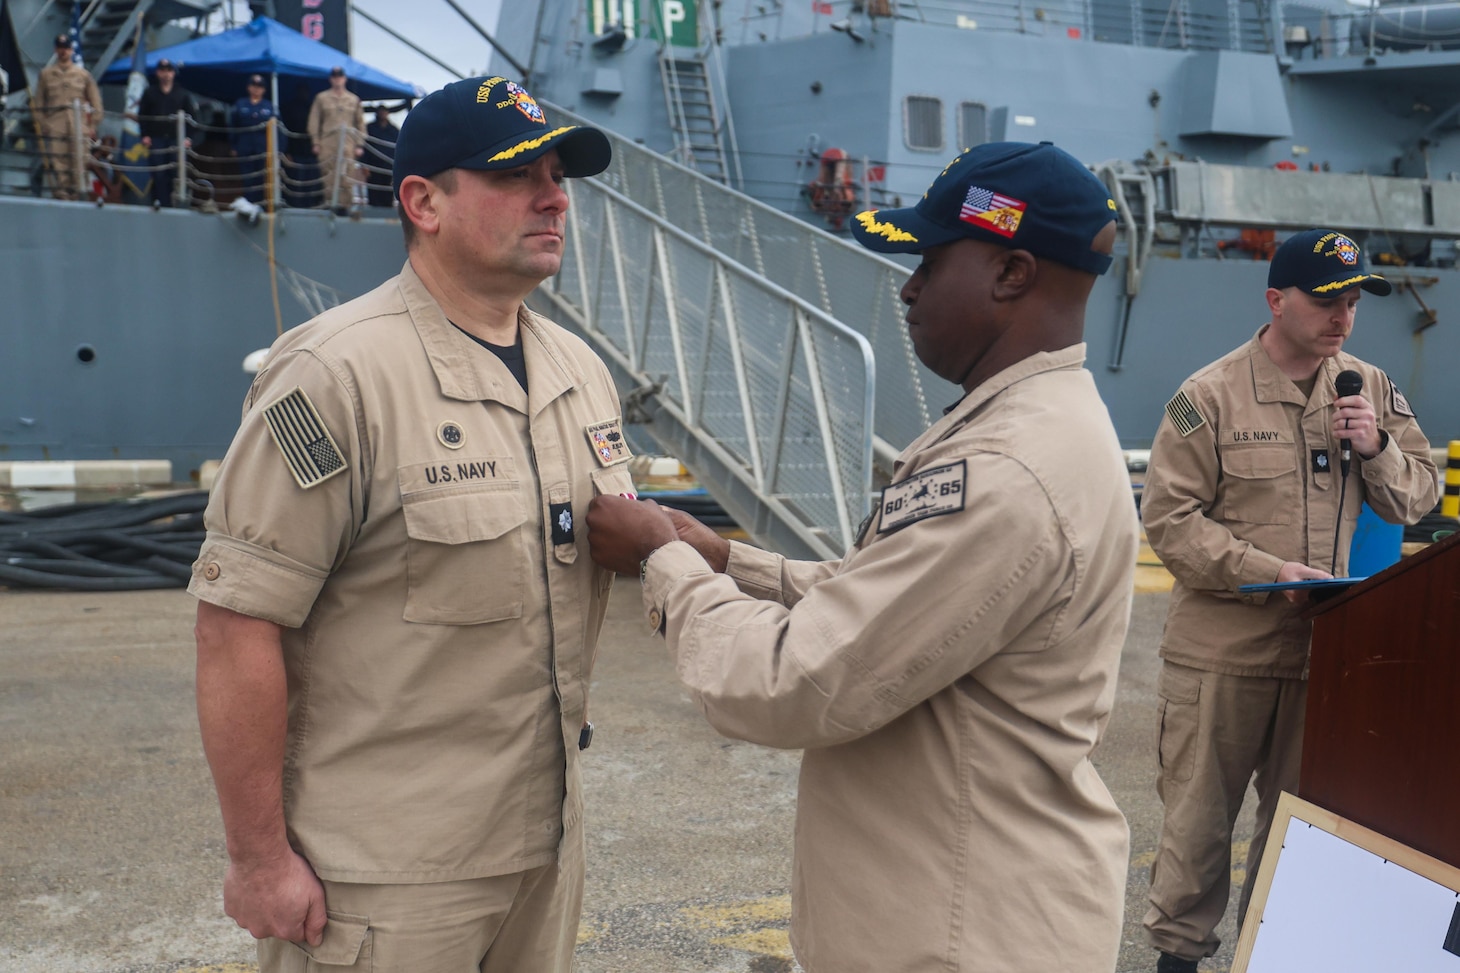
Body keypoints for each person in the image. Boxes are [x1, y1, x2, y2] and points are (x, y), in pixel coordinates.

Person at [586, 141, 1139, 972]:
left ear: (1011, 273)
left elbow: (793, 682)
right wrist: (727, 562)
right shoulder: (1033, 423)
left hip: (959, 932)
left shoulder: (1006, 470)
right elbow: (897, 599)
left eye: (929, 261)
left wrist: (664, 563)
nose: (909, 288)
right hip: (965, 904)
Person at [190, 76, 617, 972]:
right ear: (423, 201)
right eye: (514, 175)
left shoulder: (579, 370)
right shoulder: (336, 375)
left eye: (557, 175)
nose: (552, 197)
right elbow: (237, 624)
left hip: (544, 847)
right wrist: (259, 860)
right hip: (386, 879)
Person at [1139, 228, 1440, 973]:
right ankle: (1178, 959)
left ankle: (1270, 955)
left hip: (1322, 662)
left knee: (1299, 832)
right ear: (1276, 299)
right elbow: (1169, 521)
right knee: (1198, 830)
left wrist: (1378, 450)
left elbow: (1420, 496)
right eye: (1325, 299)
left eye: (1353, 301)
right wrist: (1267, 567)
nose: (1342, 316)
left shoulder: (1367, 389)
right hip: (1223, 656)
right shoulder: (1205, 397)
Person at [32, 33, 102, 201]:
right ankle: (63, 195)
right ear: (56, 50)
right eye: (60, 48)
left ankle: (80, 194)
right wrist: (44, 124)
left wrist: (93, 126)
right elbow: (38, 103)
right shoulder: (46, 75)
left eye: (66, 48)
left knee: (80, 160)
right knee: (59, 161)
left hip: (79, 124)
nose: (63, 51)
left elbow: (96, 103)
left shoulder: (83, 75)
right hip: (56, 123)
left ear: (71, 50)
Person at [136, 58, 196, 207]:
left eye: (169, 71)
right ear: (157, 73)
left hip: (177, 140)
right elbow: (142, 115)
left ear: (173, 73)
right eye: (162, 71)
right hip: (156, 140)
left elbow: (192, 118)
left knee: (176, 174)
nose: (166, 74)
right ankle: (161, 204)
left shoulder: (182, 94)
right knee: (159, 174)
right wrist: (145, 135)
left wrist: (188, 138)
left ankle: (179, 204)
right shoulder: (150, 93)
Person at [308, 66, 365, 211]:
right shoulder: (321, 98)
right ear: (331, 79)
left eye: (340, 77)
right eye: (334, 77)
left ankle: (346, 207)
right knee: (328, 176)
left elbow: (360, 123)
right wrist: (315, 141)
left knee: (347, 177)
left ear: (344, 79)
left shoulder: (353, 99)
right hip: (328, 143)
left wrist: (359, 144)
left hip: (348, 144)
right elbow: (314, 121)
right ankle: (330, 205)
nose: (337, 80)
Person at [230, 74, 276, 203]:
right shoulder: (240, 104)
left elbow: (276, 128)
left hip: (262, 147)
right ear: (249, 87)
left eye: (260, 87)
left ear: (264, 90)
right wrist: (233, 146)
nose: (256, 89)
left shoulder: (269, 106)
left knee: (261, 178)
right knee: (247, 178)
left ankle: (260, 205)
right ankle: (248, 204)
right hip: (245, 147)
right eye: (254, 86)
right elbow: (233, 126)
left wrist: (277, 149)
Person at [364, 103, 400, 208]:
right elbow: (365, 147)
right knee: (373, 191)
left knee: (387, 193)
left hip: (388, 166)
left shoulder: (394, 130)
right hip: (373, 165)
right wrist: (364, 165)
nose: (382, 114)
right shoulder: (369, 128)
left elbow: (398, 148)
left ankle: (387, 209)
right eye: (380, 112)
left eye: (384, 112)